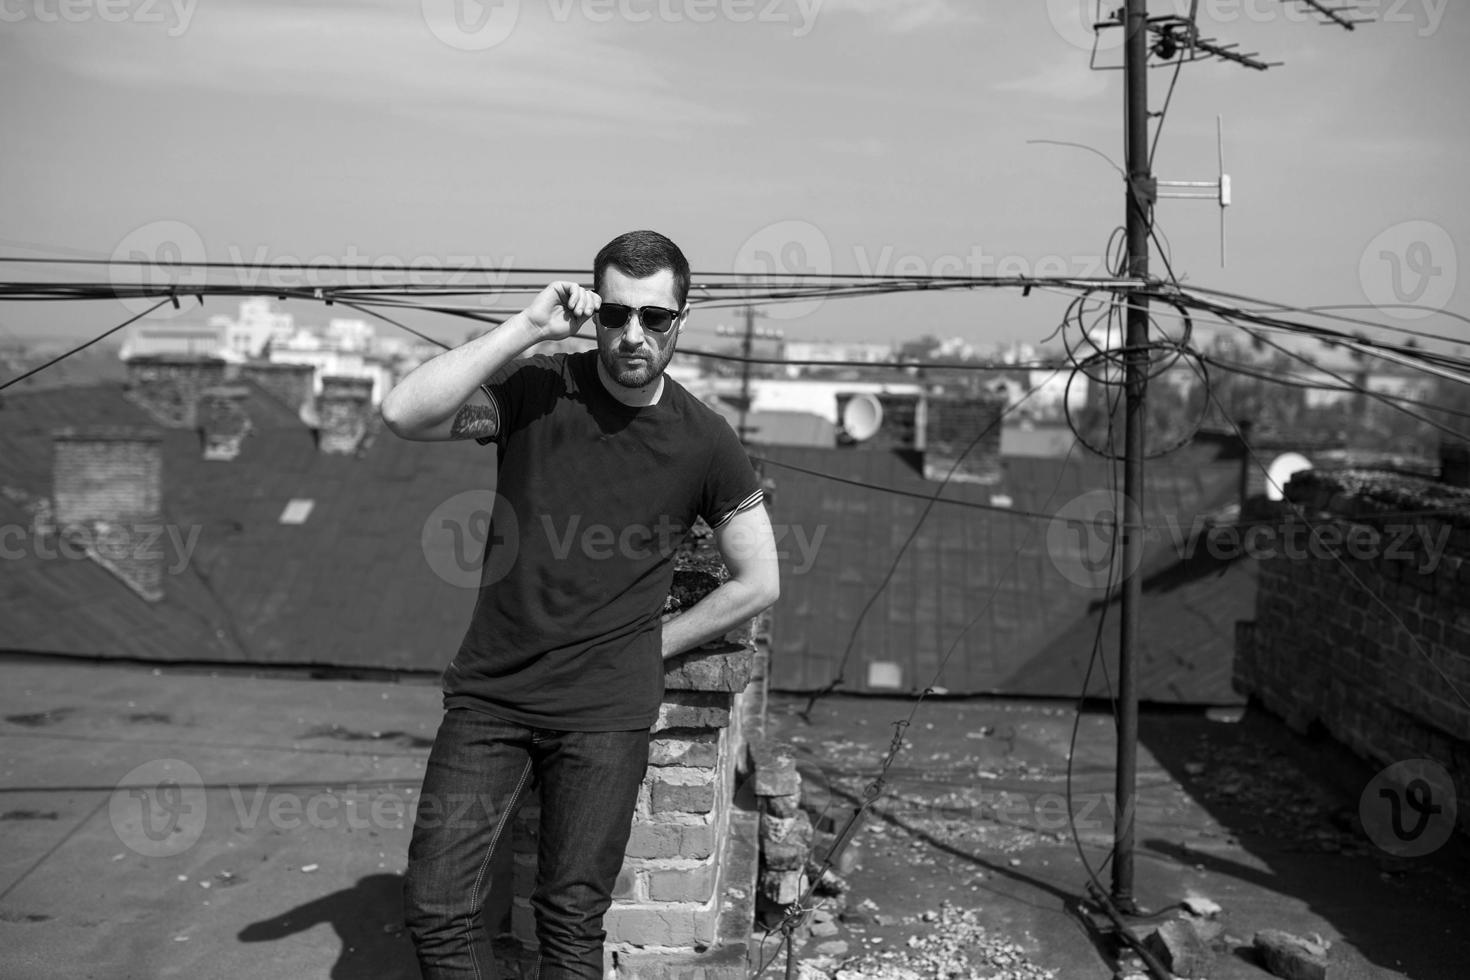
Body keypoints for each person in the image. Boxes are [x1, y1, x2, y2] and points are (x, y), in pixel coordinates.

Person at [381, 230, 781, 979]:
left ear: (680, 320)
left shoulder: (705, 441)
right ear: (593, 311)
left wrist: (647, 646)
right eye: (617, 314)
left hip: (604, 714)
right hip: (491, 697)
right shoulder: (540, 390)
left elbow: (758, 581)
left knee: (568, 924)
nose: (633, 334)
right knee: (437, 909)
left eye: (654, 318)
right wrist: (529, 326)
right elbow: (404, 413)